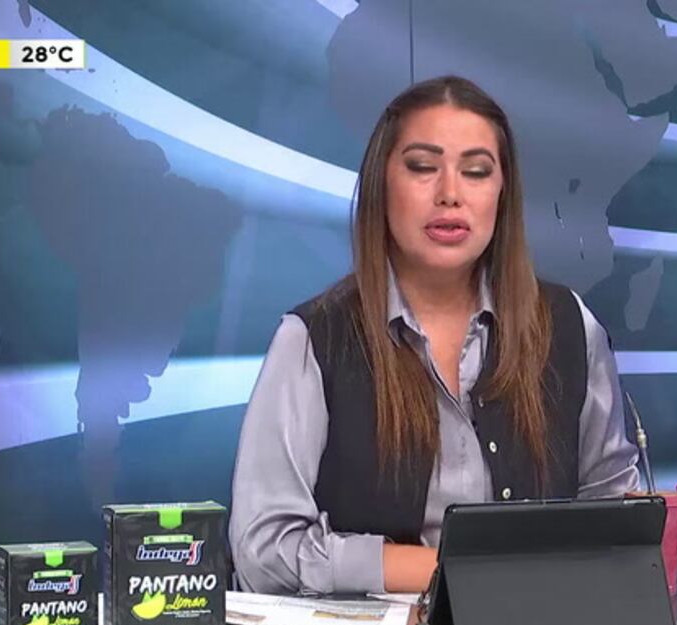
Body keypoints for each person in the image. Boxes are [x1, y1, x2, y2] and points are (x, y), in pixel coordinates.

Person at [229, 75, 638, 596]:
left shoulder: (569, 325)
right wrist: (446, 570)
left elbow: (615, 521)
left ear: (502, 193)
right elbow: (263, 553)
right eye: (422, 167)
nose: (450, 194)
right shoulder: (312, 339)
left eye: (476, 172)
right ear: (381, 184)